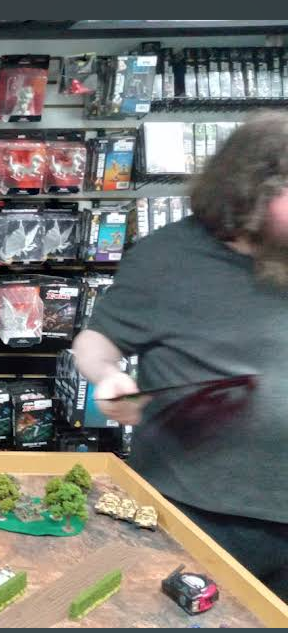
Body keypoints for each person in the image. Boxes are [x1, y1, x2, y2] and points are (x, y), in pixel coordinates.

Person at [72, 111, 288, 600]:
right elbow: (94, 343)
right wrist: (107, 376)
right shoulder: (167, 257)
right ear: (250, 191)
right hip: (192, 514)